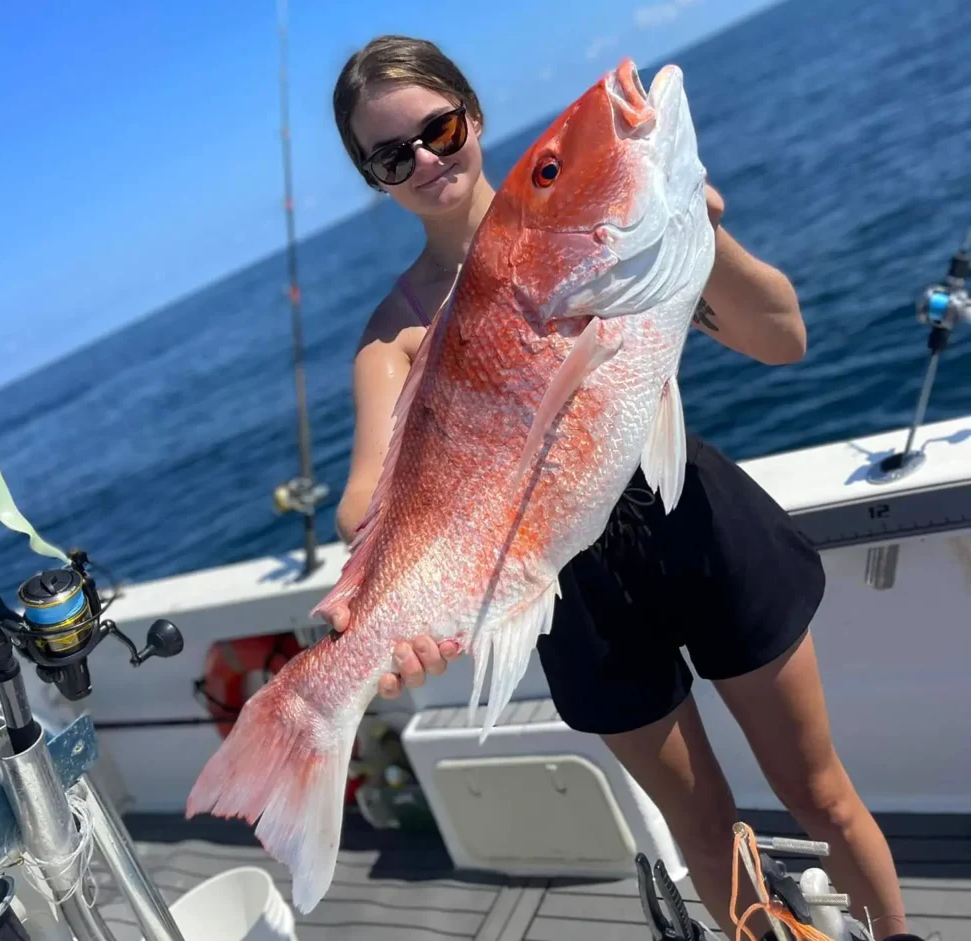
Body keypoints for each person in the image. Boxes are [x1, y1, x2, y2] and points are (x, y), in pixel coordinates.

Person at [324, 34, 908, 940]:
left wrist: (701, 236)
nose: (427, 160)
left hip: (698, 523)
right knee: (705, 831)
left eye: (438, 128)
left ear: (471, 114)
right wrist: (388, 603)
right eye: (392, 155)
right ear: (373, 177)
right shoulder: (393, 335)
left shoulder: (598, 217)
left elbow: (783, 338)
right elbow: (366, 497)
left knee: (820, 792)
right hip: (568, 587)